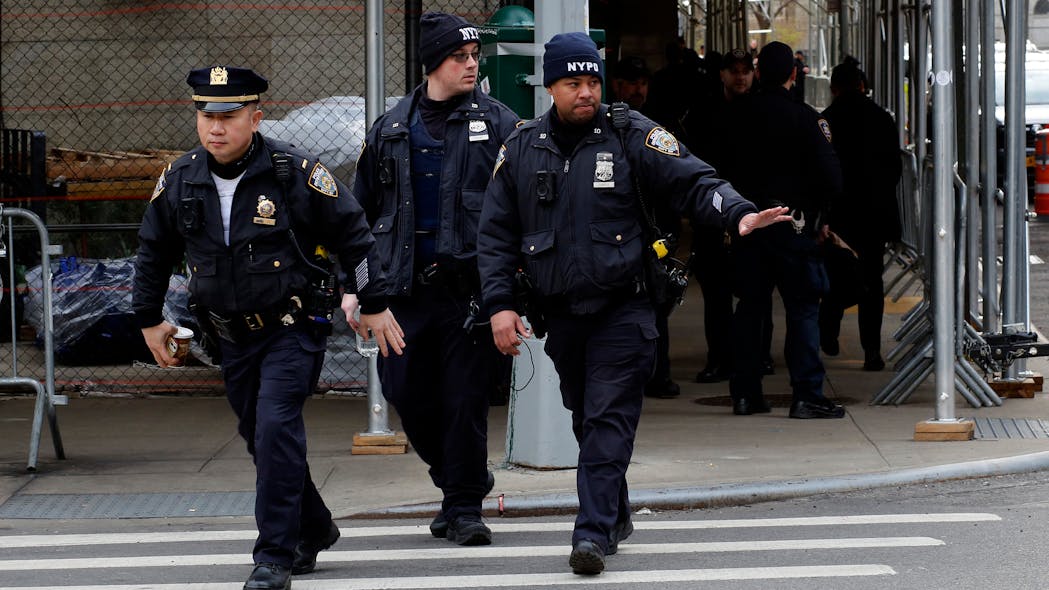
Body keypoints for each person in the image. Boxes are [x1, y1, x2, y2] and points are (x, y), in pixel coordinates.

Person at [477, 32, 790, 575]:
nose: (586, 92)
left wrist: (736, 213)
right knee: (585, 417)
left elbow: (693, 179)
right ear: (550, 86)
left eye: (592, 81)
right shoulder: (523, 147)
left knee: (606, 419)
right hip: (562, 315)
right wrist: (500, 305)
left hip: (625, 309)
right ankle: (615, 511)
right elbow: (495, 233)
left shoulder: (629, 133)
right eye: (573, 82)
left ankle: (591, 532)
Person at [133, 66, 405, 590]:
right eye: (205, 115)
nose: (215, 127)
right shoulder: (181, 177)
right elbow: (153, 251)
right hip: (229, 336)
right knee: (259, 437)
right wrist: (148, 319)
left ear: (255, 118)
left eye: (229, 116)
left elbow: (356, 236)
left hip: (291, 327)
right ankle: (316, 527)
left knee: (276, 426)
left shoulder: (294, 172)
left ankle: (274, 556)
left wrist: (372, 302)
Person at [346, 11, 520, 547]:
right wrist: (354, 288)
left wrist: (511, 288)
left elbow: (521, 208)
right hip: (403, 292)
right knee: (409, 395)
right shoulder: (392, 128)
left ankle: (465, 507)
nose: (470, 65)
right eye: (458, 58)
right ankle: (456, 481)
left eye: (474, 58)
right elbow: (357, 215)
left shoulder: (499, 124)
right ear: (432, 65)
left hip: (468, 290)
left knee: (465, 399)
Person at [720, 41, 845, 419]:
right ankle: (806, 394)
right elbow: (832, 179)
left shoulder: (734, 115)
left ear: (758, 73)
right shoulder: (807, 119)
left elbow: (716, 170)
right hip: (794, 225)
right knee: (803, 311)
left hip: (749, 225)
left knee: (749, 311)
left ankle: (744, 393)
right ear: (794, 74)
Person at [682, 48, 772, 384]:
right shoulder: (704, 112)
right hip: (713, 215)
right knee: (716, 294)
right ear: (722, 74)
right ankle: (719, 358)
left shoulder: (763, 110)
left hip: (754, 213)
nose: (740, 76)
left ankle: (758, 356)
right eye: (733, 70)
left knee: (756, 290)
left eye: (745, 70)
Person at [818, 60, 902, 371]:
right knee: (871, 281)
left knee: (836, 273)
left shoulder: (825, 121)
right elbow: (895, 167)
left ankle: (828, 325)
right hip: (875, 215)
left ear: (833, 89)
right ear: (863, 86)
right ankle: (872, 351)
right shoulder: (882, 118)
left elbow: (820, 168)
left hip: (839, 214)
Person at [609, 55, 680, 399]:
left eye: (642, 83)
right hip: (617, 228)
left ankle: (658, 374)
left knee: (657, 300)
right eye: (631, 83)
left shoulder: (657, 125)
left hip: (655, 227)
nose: (638, 90)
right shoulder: (602, 125)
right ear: (616, 86)